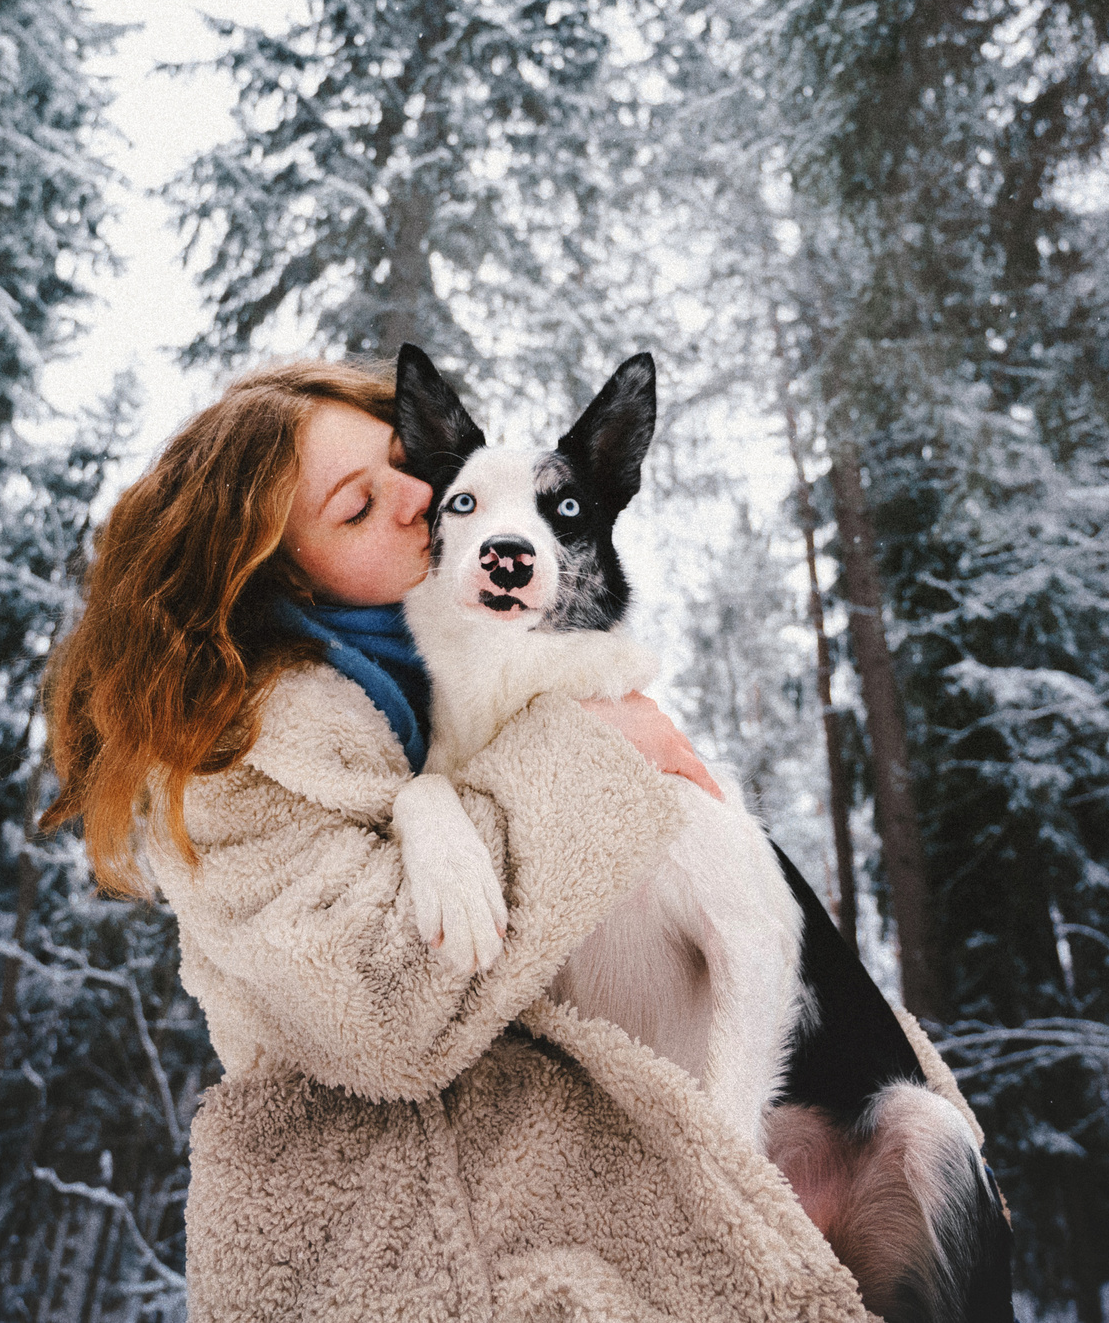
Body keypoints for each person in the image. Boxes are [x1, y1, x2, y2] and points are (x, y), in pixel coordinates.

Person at [42, 358, 867, 1322]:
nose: (419, 499)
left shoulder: (446, 690)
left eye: (403, 463)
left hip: (603, 1212)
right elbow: (382, 1005)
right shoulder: (239, 753)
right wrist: (594, 744)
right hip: (405, 1259)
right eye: (357, 507)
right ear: (282, 578)